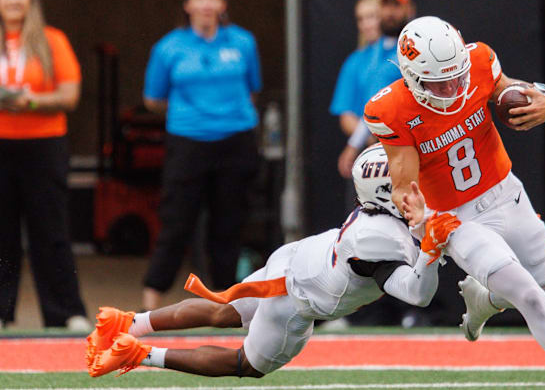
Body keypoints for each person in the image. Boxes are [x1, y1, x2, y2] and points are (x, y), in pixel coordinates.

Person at [363, 16, 545, 390]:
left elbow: (523, 91)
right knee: (530, 298)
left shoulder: (479, 62)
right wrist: (415, 212)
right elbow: (404, 182)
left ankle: (486, 301)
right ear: (412, 77)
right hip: (457, 218)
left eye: (456, 75)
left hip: (506, 193)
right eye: (438, 82)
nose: (451, 87)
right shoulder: (392, 109)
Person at [85, 144, 461, 379]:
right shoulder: (382, 240)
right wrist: (429, 252)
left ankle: (129, 322)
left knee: (223, 312)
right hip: (295, 300)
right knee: (245, 365)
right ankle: (139, 353)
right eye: (403, 182)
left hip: (296, 258)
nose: (414, 186)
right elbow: (418, 294)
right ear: (386, 193)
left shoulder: (379, 218)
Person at [141, 0, 262, 311]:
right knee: (176, 222)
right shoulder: (168, 47)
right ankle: (151, 299)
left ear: (222, 3)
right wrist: (193, 115)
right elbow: (153, 99)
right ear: (188, 6)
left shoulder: (243, 42)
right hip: (187, 143)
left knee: (229, 224)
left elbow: (252, 89)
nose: (206, 4)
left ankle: (226, 303)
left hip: (236, 141)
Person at [0, 0, 90, 330]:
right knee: (2, 234)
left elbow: (70, 95)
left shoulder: (53, 40)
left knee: (50, 232)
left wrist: (32, 103)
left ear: (30, 0)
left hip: (43, 146)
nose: (13, 0)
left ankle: (65, 312)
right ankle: (2, 314)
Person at [330, 0, 415, 179]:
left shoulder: (411, 49)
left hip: (413, 148)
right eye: (385, 7)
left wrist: (353, 145)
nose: (390, 13)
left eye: (371, 16)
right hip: (380, 154)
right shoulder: (374, 57)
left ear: (408, 8)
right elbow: (373, 110)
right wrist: (361, 140)